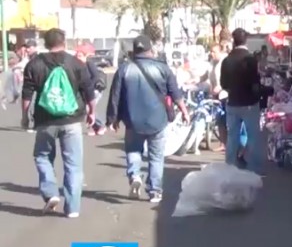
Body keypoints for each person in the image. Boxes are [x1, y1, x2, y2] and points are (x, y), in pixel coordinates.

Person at [20, 29, 95, 217]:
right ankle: (73, 208)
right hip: (72, 120)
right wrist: (92, 112)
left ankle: (51, 192)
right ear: (64, 42)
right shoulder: (76, 63)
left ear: (45, 43)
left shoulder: (34, 64)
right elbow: (88, 91)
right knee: (74, 164)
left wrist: (25, 115)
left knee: (42, 156)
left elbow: (27, 94)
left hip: (45, 120)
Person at [106, 36, 189, 203]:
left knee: (133, 150)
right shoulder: (163, 68)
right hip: (158, 120)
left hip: (132, 120)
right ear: (150, 49)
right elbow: (175, 94)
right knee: (156, 157)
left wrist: (113, 118)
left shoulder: (124, 69)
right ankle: (155, 191)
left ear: (134, 51)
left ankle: (134, 175)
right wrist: (184, 111)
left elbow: (115, 95)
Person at [220, 28, 263, 175]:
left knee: (232, 136)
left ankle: (230, 166)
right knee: (252, 135)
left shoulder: (227, 60)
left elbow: (223, 84)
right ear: (246, 40)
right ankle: (253, 168)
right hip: (249, 103)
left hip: (232, 102)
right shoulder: (250, 59)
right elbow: (255, 82)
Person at [74, 47, 108, 136]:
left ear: (85, 56)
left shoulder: (89, 63)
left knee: (88, 108)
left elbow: (96, 76)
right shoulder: (77, 66)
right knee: (87, 108)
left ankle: (101, 125)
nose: (78, 57)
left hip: (95, 89)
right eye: (77, 55)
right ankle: (95, 127)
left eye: (80, 55)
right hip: (86, 90)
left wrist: (90, 87)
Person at [208, 44, 228, 152]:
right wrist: (195, 80)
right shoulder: (212, 63)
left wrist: (220, 87)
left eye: (214, 51)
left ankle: (226, 143)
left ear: (220, 51)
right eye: (211, 51)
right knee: (220, 119)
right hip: (216, 94)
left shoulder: (224, 62)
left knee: (224, 118)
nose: (212, 54)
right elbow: (207, 75)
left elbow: (228, 78)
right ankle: (223, 143)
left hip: (225, 94)